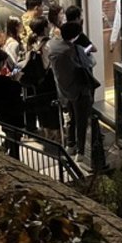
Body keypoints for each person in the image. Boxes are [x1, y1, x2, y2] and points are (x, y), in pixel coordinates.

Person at [46, 21, 99, 165]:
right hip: (79, 90)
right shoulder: (74, 49)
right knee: (81, 121)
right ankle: (80, 152)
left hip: (63, 90)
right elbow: (90, 62)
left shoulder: (52, 45)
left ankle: (70, 145)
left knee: (70, 118)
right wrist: (87, 52)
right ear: (75, 36)